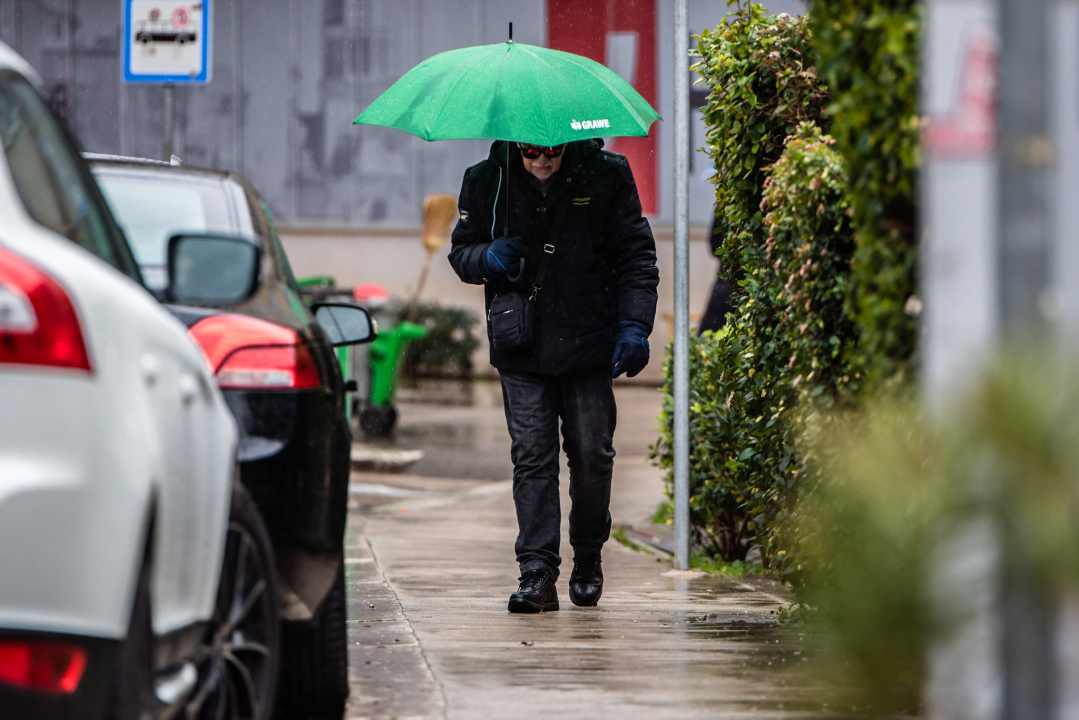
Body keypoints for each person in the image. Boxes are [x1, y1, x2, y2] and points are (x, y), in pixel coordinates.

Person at [449, 139, 659, 613]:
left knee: (592, 455)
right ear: (513, 145)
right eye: (529, 153)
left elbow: (636, 257)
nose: (541, 161)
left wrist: (634, 324)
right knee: (532, 457)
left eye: (552, 152)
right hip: (520, 344)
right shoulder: (486, 180)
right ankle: (537, 571)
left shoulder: (606, 175)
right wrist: (486, 257)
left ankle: (587, 552)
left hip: (589, 343)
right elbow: (461, 254)